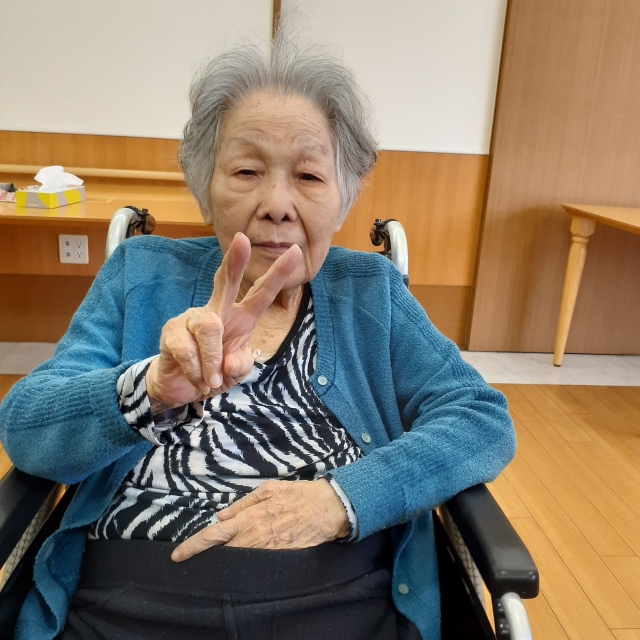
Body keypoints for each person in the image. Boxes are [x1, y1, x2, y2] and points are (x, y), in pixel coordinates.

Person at [0, 34, 516, 640]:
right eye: (246, 171)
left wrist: (342, 499)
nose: (277, 204)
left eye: (309, 175)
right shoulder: (140, 274)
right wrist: (147, 390)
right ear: (206, 186)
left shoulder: (369, 292)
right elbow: (26, 427)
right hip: (125, 610)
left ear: (343, 196)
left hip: (339, 610)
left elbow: (480, 417)